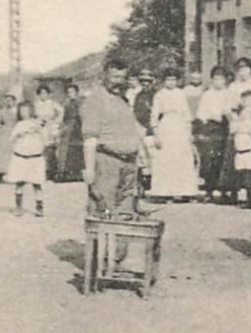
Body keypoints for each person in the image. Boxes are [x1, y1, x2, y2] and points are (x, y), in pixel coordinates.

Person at [81, 60, 143, 219]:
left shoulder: (123, 100)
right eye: (115, 77)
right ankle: (101, 245)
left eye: (122, 77)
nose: (119, 82)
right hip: (108, 163)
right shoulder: (96, 100)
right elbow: (90, 138)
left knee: (125, 215)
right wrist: (89, 169)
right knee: (103, 213)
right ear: (104, 76)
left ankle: (119, 244)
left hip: (128, 164)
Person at [148, 68, 200, 201]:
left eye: (173, 80)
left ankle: (183, 192)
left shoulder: (181, 93)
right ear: (164, 81)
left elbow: (186, 114)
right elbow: (154, 115)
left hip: (180, 128)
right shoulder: (159, 94)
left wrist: (189, 132)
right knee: (166, 159)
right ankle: (163, 192)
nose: (171, 82)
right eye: (168, 79)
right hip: (166, 126)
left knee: (181, 159)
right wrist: (156, 134)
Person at [193, 66, 232, 203]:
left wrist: (224, 117)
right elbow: (201, 112)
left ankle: (224, 191)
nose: (218, 82)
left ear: (225, 80)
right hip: (210, 127)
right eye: (216, 79)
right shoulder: (207, 94)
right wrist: (208, 119)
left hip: (224, 127)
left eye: (221, 79)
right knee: (210, 158)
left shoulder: (228, 93)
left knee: (224, 159)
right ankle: (209, 189)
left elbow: (230, 110)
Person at [7, 101, 48, 217]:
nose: (24, 113)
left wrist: (39, 130)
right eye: (22, 111)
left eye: (27, 110)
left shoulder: (38, 123)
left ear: (31, 111)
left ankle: (39, 207)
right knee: (19, 183)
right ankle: (18, 207)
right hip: (21, 156)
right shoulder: (19, 125)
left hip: (35, 157)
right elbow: (11, 139)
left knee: (37, 183)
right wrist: (20, 133)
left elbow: (45, 139)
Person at [230, 88, 251, 208]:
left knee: (249, 173)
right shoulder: (238, 116)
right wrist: (237, 120)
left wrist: (246, 127)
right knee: (239, 172)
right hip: (239, 147)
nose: (248, 104)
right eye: (246, 100)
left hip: (250, 148)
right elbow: (233, 129)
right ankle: (237, 196)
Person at [53, 82, 86, 182]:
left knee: (77, 149)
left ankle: (77, 172)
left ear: (76, 92)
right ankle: (67, 172)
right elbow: (64, 117)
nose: (69, 94)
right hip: (68, 127)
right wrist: (61, 126)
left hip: (77, 127)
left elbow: (82, 115)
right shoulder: (67, 103)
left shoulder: (80, 102)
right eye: (68, 92)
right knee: (66, 150)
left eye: (71, 92)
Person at [34, 84, 63, 182]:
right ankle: (42, 171)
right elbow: (33, 115)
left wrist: (55, 121)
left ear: (48, 94)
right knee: (40, 149)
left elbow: (61, 112)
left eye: (45, 93)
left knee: (50, 150)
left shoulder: (52, 103)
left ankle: (52, 172)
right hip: (40, 128)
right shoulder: (36, 104)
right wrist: (38, 122)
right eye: (41, 93)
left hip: (50, 128)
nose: (43, 95)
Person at [0, 92, 19, 183]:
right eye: (7, 100)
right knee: (2, 155)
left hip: (15, 132)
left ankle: (14, 174)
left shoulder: (17, 112)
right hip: (4, 134)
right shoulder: (2, 111)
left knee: (13, 154)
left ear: (14, 102)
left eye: (11, 101)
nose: (9, 102)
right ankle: (0, 174)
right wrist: (1, 128)